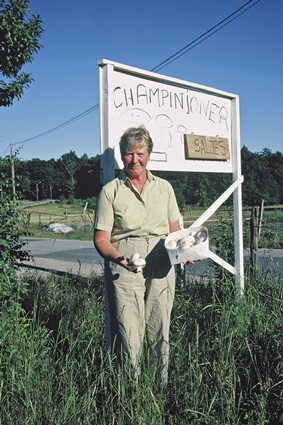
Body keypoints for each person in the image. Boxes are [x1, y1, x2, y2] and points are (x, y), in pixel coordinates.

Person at [94, 125, 193, 386]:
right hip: (125, 260)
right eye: (129, 154)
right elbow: (101, 239)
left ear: (149, 154)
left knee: (160, 324)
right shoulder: (110, 191)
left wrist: (186, 251)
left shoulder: (165, 188)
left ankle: (159, 387)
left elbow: (175, 232)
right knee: (129, 328)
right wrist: (119, 259)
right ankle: (133, 390)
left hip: (162, 259)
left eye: (140, 153)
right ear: (121, 155)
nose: (134, 160)